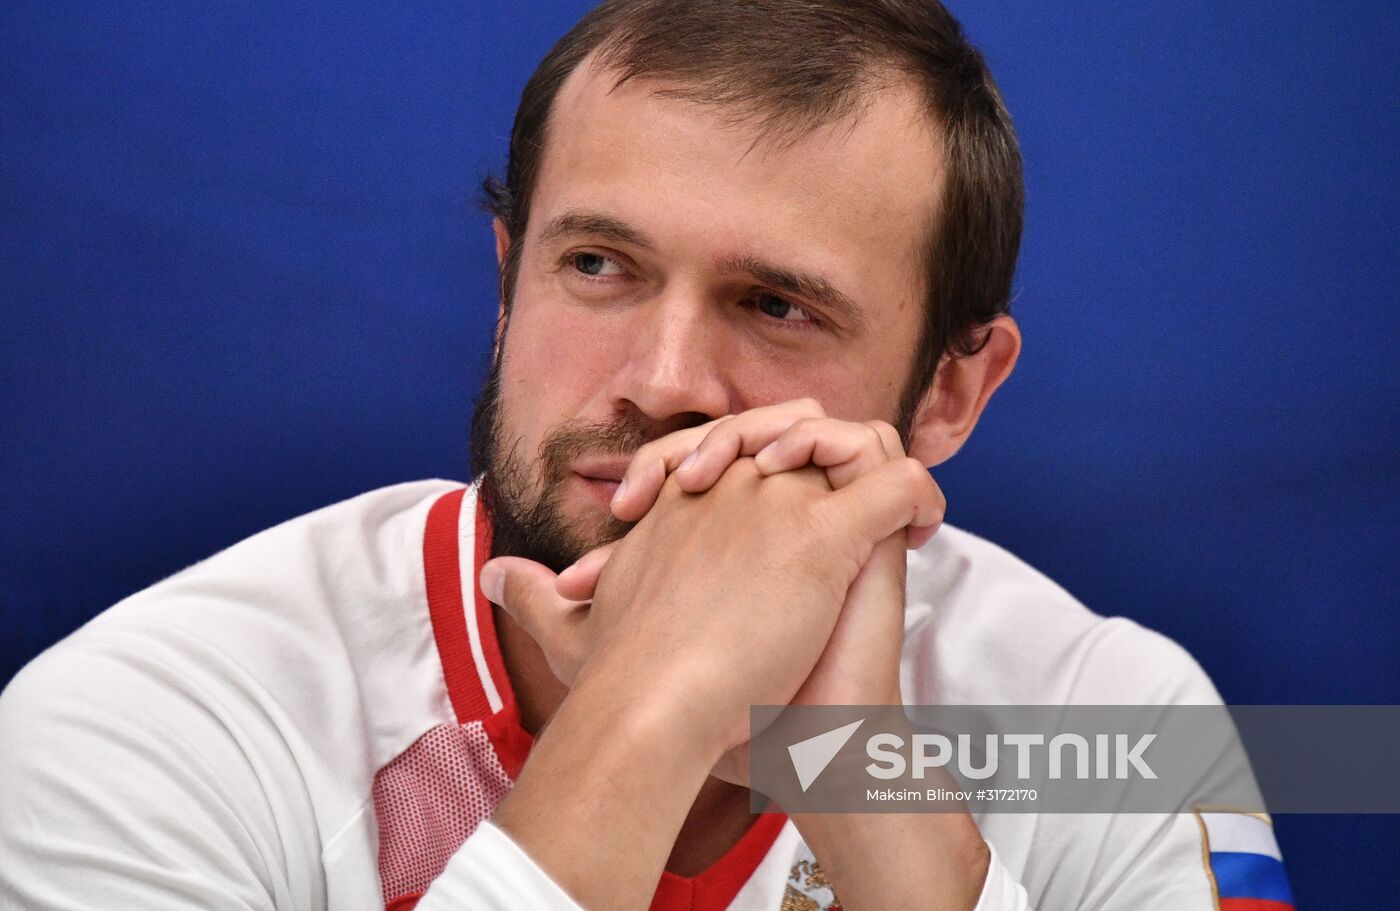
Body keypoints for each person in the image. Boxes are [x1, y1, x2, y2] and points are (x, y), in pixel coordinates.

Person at [0, 1, 1295, 909]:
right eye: (600, 267)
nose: (664, 381)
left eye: (774, 305)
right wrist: (658, 707)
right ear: (508, 288)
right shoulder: (141, 727)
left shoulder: (1121, 722)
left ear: (952, 390)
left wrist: (859, 772)